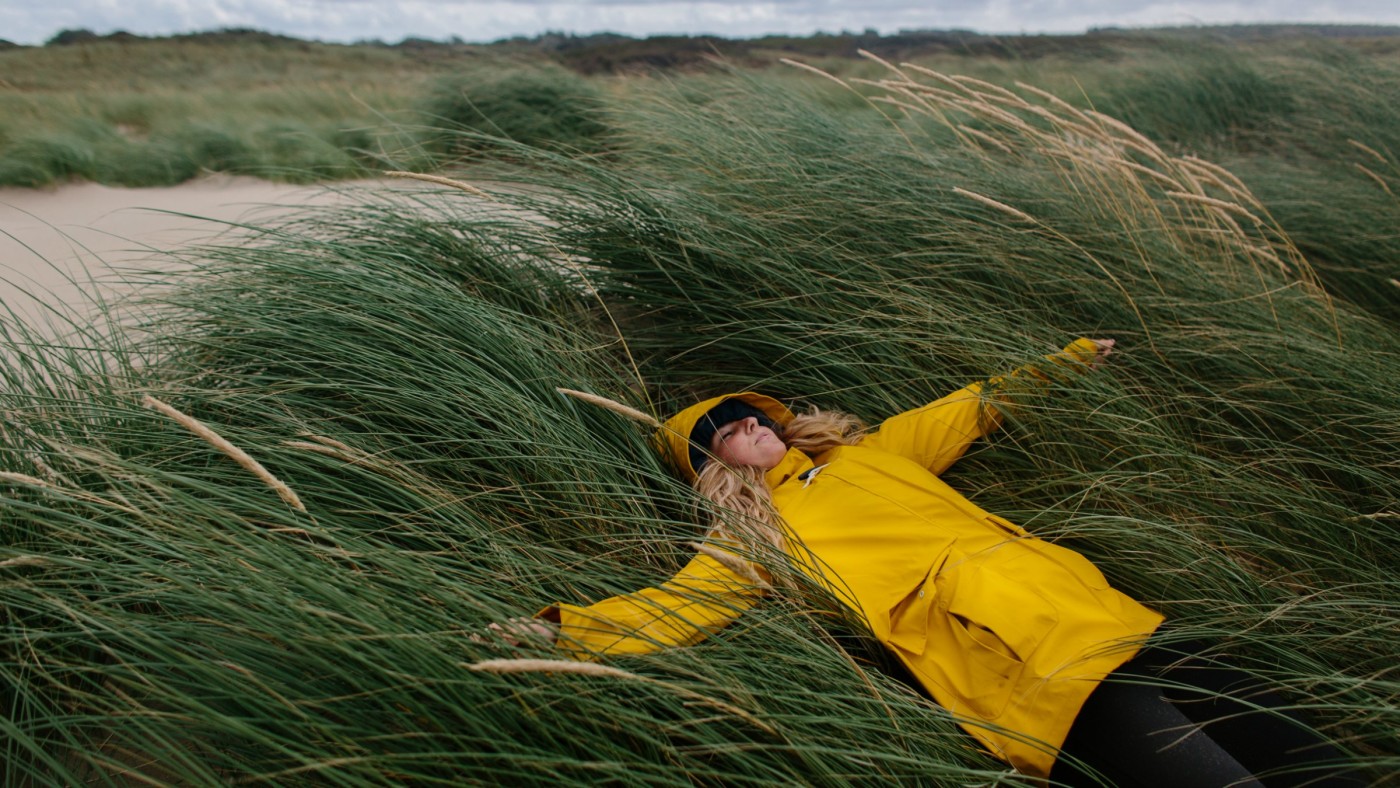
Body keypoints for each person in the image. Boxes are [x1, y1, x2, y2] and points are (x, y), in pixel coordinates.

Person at [489, 338, 1356, 786]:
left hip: (1096, 607)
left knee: (1297, 741)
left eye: (744, 413)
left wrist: (1063, 364)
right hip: (1018, 663)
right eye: (719, 435)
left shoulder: (869, 451)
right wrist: (563, 629)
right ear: (714, 467)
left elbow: (966, 411)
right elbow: (677, 607)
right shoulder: (751, 539)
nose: (742, 428)